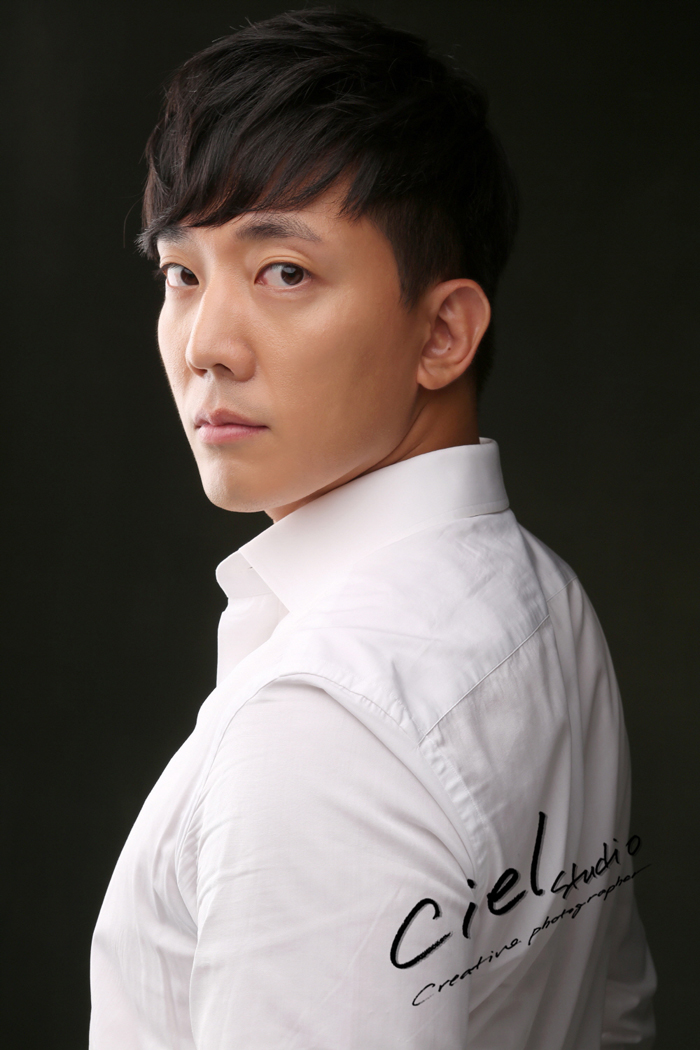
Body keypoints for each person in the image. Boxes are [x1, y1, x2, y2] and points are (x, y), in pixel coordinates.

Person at [89, 8, 656, 1048]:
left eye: (284, 272)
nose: (206, 344)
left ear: (442, 332)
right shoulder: (545, 598)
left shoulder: (324, 726)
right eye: (182, 274)